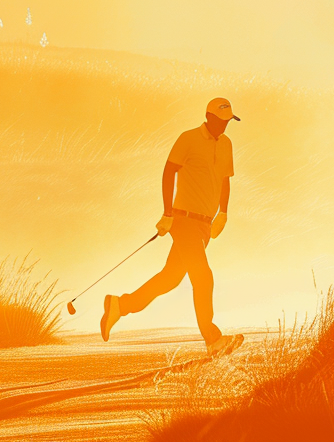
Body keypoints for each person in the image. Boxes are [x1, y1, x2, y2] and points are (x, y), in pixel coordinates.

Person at [100, 97, 243, 357]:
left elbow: (224, 179)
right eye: (221, 121)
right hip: (184, 220)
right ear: (209, 116)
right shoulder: (188, 139)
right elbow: (169, 172)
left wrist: (223, 212)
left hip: (204, 226)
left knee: (170, 278)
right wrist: (167, 213)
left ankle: (120, 305)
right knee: (203, 277)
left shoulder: (226, 145)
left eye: (228, 122)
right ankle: (213, 339)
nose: (224, 126)